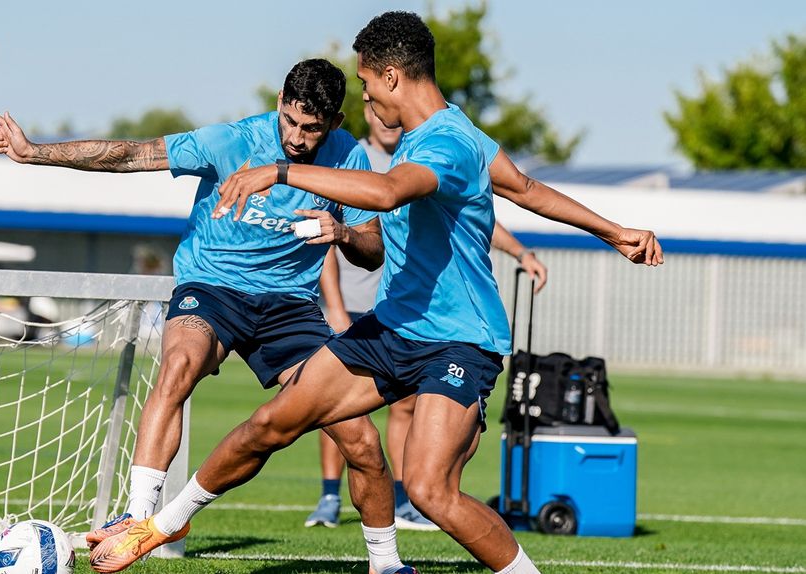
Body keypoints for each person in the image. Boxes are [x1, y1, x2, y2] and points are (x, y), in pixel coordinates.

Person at [88, 11, 662, 574]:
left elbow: (388, 194)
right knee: (273, 423)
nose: (364, 102)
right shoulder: (440, 135)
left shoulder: (449, 144)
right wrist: (614, 231)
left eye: (364, 85)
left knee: (433, 491)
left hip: (456, 342)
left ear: (392, 76)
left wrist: (279, 173)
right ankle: (162, 524)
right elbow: (529, 189)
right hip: (390, 330)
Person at [0, 59, 416, 574]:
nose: (297, 138)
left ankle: (386, 565)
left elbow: (373, 250)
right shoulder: (230, 141)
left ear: (335, 124)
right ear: (280, 102)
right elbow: (131, 154)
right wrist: (34, 153)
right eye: (290, 122)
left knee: (361, 438)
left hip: (289, 309)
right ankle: (138, 516)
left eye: (312, 128)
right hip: (212, 288)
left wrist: (343, 233)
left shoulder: (351, 160)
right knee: (179, 364)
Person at [307, 105, 548, 532]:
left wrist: (520, 251)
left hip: (409, 310)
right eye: (369, 99)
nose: (381, 113)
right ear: (366, 109)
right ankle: (329, 496)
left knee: (405, 411)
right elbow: (326, 235)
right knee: (331, 407)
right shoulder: (351, 157)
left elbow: (473, 213)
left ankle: (404, 498)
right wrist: (337, 306)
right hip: (359, 301)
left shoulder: (430, 148)